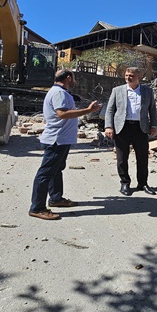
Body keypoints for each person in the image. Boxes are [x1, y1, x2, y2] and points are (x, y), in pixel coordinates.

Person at [29, 69, 101, 220]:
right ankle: (37, 208)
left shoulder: (61, 92)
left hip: (61, 139)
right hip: (56, 140)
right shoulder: (59, 93)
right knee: (45, 173)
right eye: (74, 77)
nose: (75, 80)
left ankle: (56, 198)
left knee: (56, 170)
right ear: (69, 78)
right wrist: (88, 110)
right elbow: (62, 114)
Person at [104, 67, 157, 196]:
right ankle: (125, 182)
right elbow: (110, 110)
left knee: (143, 157)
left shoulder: (147, 91)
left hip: (141, 127)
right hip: (122, 127)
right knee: (122, 158)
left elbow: (152, 110)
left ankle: (143, 183)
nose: (128, 77)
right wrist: (108, 126)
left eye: (131, 75)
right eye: (126, 75)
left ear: (139, 77)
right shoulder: (117, 91)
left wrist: (154, 125)